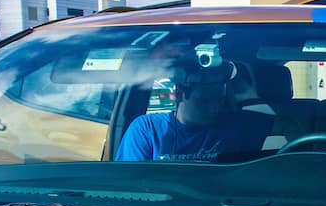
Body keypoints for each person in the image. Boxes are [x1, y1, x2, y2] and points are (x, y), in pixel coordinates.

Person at [115, 60, 270, 162]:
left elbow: (288, 125)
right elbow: (130, 182)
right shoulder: (148, 129)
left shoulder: (235, 124)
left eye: (219, 100)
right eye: (204, 101)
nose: (214, 108)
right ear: (179, 95)